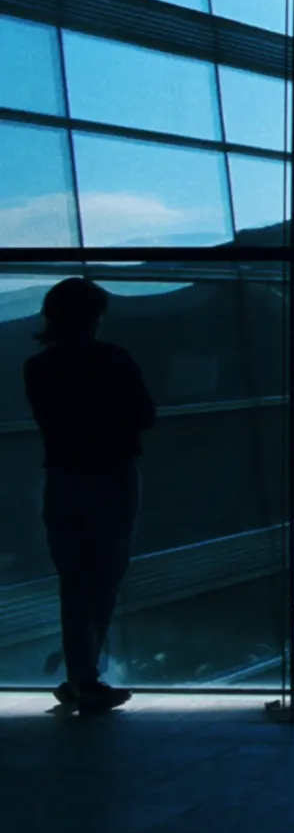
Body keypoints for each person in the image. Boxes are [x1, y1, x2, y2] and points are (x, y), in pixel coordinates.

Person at [23, 278, 154, 713]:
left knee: (74, 581)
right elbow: (143, 415)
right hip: (112, 476)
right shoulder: (113, 360)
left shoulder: (38, 368)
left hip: (63, 478)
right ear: (94, 317)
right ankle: (86, 675)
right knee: (105, 576)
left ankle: (81, 675)